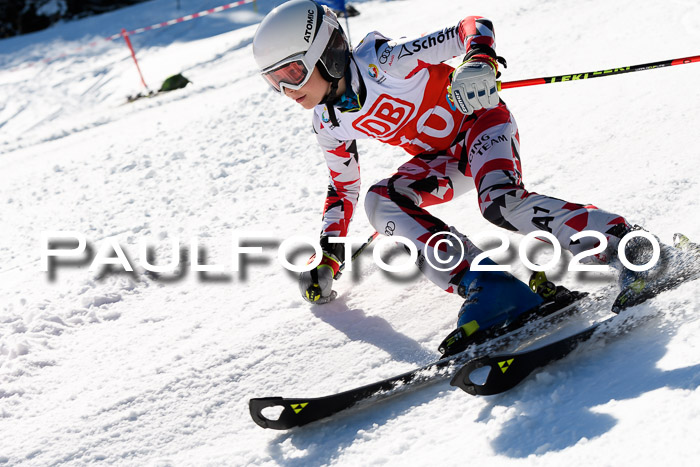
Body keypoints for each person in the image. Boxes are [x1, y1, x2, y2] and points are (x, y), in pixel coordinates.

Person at [251, 0, 692, 347]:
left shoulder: (385, 60)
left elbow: (472, 25)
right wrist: (329, 253)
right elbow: (342, 187)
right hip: (443, 158)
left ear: (325, 51)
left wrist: (478, 62)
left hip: (481, 123)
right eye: (275, 82)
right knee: (379, 200)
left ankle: (634, 249)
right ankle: (492, 288)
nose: (287, 91)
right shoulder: (328, 121)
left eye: (291, 72)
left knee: (500, 203)